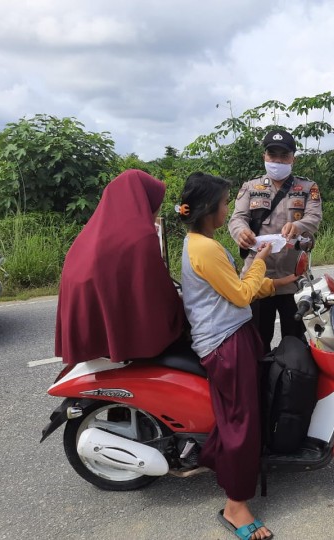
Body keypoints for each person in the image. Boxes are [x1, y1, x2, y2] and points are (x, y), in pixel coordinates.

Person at [178, 172, 296, 540]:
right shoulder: (206, 248)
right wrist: (260, 256)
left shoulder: (200, 242)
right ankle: (235, 506)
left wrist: (281, 283)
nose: (228, 209)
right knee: (240, 421)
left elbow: (234, 290)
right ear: (209, 209)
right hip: (226, 342)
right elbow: (242, 295)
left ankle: (218, 460)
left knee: (242, 414)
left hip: (231, 334)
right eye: (225, 203)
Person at [55, 169, 185, 365]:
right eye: (157, 203)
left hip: (84, 323)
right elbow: (156, 295)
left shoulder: (93, 230)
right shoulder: (141, 237)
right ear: (144, 201)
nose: (157, 209)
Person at [228, 129, 322, 353]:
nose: (278, 161)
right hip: (257, 280)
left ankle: (290, 384)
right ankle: (260, 385)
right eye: (273, 155)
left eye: (284, 156)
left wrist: (297, 226)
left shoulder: (309, 188)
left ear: (293, 159)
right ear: (264, 156)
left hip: (293, 279)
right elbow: (237, 219)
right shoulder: (250, 188)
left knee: (295, 343)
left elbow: (314, 218)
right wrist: (241, 233)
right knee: (258, 342)